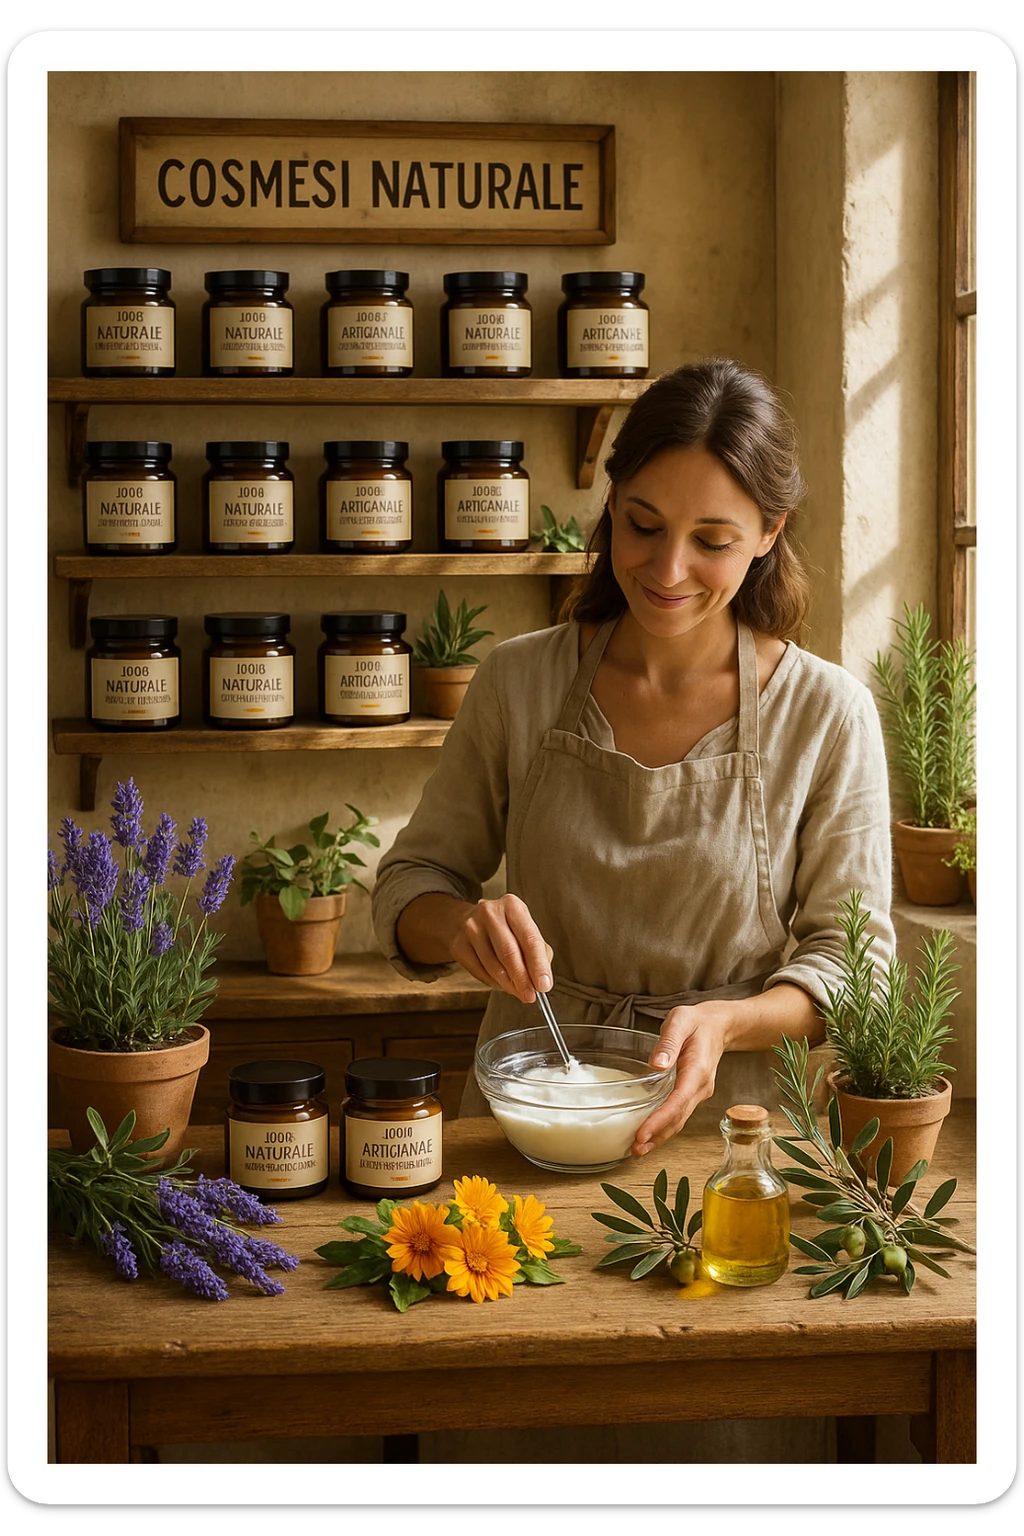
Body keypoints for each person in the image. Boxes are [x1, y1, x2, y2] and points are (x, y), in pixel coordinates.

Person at [372, 357, 896, 1150]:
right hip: (529, 1108)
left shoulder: (827, 714)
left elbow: (853, 967)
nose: (668, 569)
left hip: (731, 1130)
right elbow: (411, 883)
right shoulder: (519, 681)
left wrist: (729, 1022)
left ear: (768, 533)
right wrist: (457, 928)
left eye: (712, 540)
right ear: (611, 503)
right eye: (643, 525)